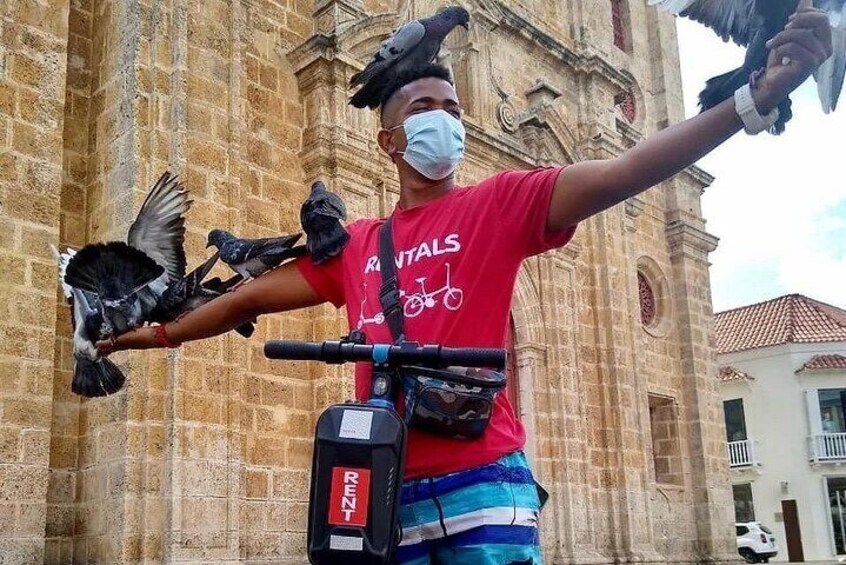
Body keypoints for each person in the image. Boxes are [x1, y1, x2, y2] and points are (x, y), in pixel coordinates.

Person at [98, 7, 833, 564]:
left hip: (486, 486)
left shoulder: (502, 204)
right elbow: (242, 300)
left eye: (453, 110)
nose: (444, 122)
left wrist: (753, 100)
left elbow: (628, 171)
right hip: (381, 491)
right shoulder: (358, 246)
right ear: (389, 140)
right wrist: (142, 335)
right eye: (424, 110)